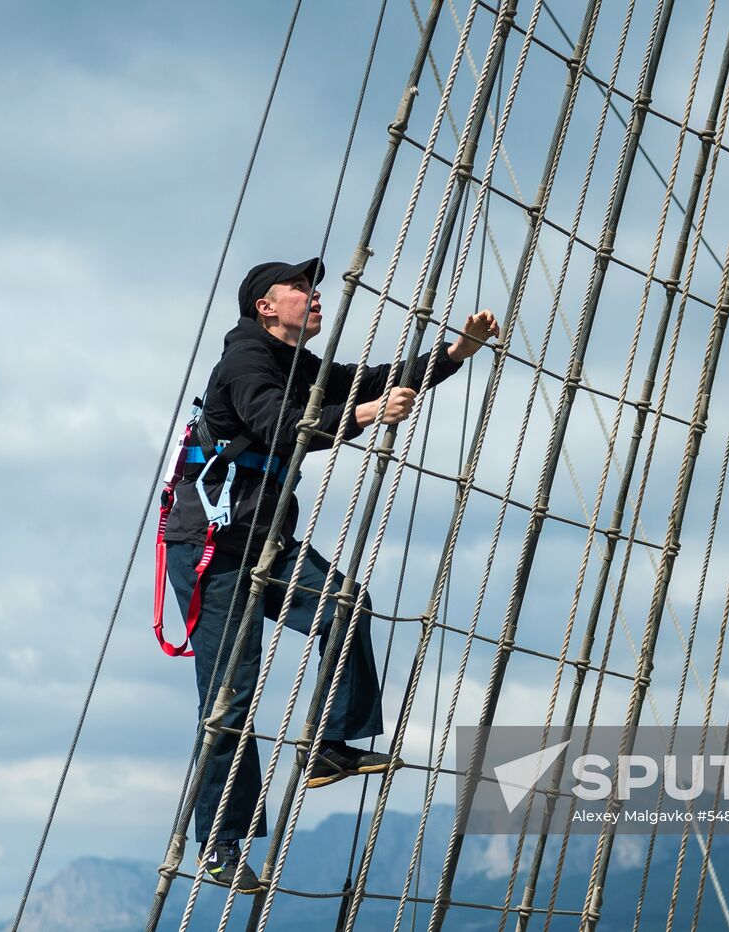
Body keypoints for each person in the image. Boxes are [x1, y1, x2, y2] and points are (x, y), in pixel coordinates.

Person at [163, 257, 499, 892]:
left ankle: (331, 744)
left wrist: (456, 352)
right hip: (211, 547)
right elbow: (281, 426)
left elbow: (366, 377)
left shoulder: (297, 364)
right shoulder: (245, 363)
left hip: (267, 539)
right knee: (230, 696)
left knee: (344, 604)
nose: (315, 296)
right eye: (300, 289)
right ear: (266, 305)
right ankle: (220, 846)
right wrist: (368, 415)